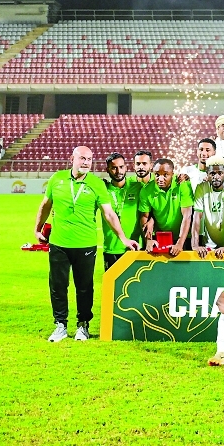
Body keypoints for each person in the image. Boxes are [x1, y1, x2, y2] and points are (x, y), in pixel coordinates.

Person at [35, 146, 138, 342]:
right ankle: (60, 325)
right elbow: (46, 205)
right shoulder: (57, 179)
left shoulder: (96, 184)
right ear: (72, 158)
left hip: (86, 244)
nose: (86, 162)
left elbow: (109, 214)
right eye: (82, 158)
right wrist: (37, 228)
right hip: (59, 243)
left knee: (84, 287)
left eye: (89, 159)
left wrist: (123, 238)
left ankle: (83, 325)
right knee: (58, 286)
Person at [139, 158, 194, 256]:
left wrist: (180, 243)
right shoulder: (146, 190)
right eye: (157, 175)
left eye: (165, 175)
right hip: (161, 237)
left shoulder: (183, 185)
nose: (160, 179)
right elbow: (144, 217)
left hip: (183, 237)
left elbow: (187, 216)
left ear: (172, 174)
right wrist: (148, 240)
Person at [192, 156, 224, 259]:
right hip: (209, 245)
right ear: (207, 173)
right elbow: (196, 217)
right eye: (212, 173)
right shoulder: (201, 187)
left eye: (220, 173)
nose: (216, 177)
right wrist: (195, 245)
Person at [104, 152, 144, 270]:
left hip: (134, 247)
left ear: (126, 167)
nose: (118, 171)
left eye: (121, 167)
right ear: (107, 170)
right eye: (114, 168)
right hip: (111, 247)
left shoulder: (138, 187)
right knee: (112, 281)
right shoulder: (103, 189)